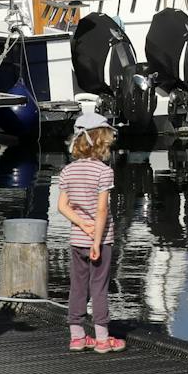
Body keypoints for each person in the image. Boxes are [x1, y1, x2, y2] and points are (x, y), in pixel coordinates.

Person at [56, 112, 124, 354]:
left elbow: (62, 206)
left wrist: (82, 225)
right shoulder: (104, 172)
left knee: (77, 286)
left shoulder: (68, 171)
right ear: (100, 141)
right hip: (100, 240)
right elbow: (102, 209)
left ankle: (77, 336)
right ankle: (103, 338)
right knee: (99, 286)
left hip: (77, 240)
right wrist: (95, 239)